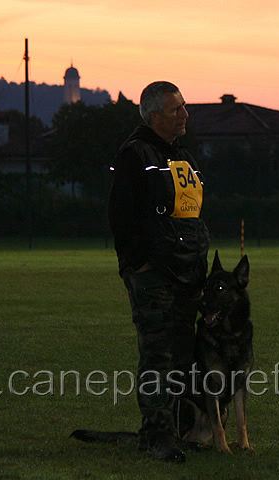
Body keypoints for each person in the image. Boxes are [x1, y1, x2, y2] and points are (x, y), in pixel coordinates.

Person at [108, 81, 209, 462]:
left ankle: (182, 431)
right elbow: (120, 216)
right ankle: (156, 436)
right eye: (175, 110)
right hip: (155, 273)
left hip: (187, 272)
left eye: (184, 107)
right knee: (158, 354)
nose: (185, 115)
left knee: (184, 353)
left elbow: (191, 213)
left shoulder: (182, 156)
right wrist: (140, 263)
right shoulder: (135, 155)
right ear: (154, 117)